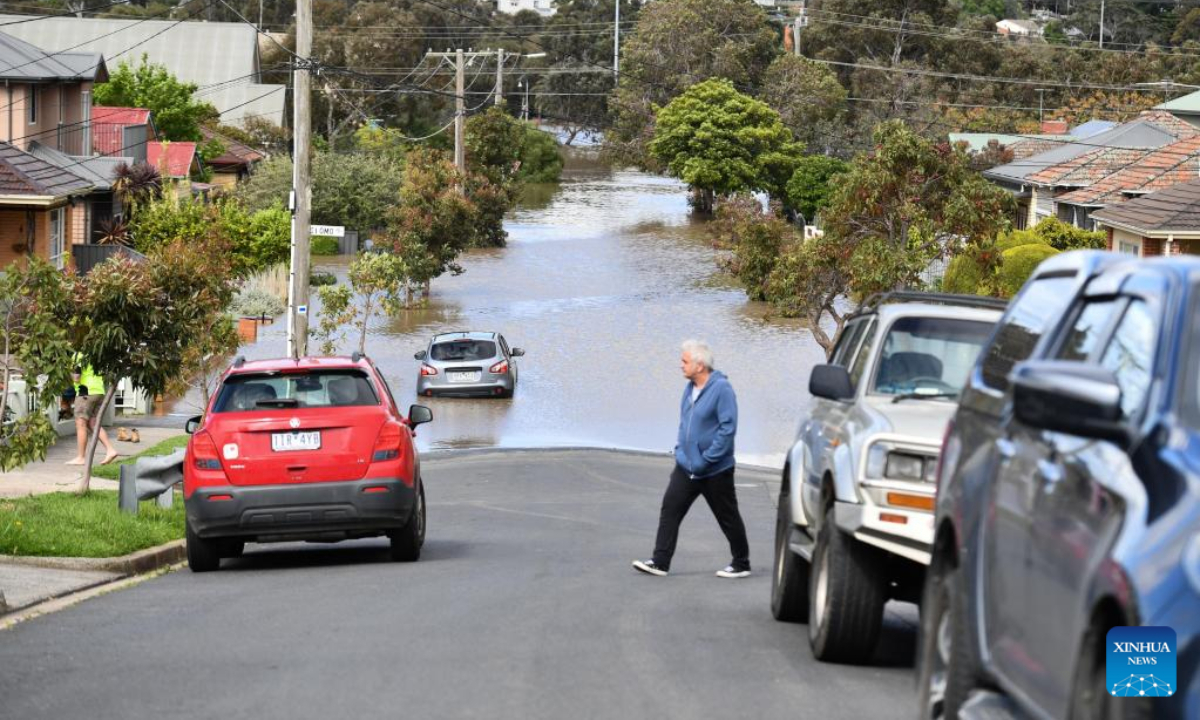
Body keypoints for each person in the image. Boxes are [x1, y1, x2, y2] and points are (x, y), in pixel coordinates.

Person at [633, 340, 751, 579]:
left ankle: (741, 563)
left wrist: (706, 459)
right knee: (670, 509)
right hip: (686, 467)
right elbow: (684, 425)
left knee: (727, 517)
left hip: (715, 470)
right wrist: (681, 452)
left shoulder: (722, 389)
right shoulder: (689, 389)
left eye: (685, 361)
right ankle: (660, 562)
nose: (681, 365)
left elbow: (728, 430)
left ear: (699, 365)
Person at [65, 367, 119, 466]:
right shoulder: (92, 354)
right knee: (93, 424)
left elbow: (76, 377)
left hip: (85, 392)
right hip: (98, 391)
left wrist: (69, 374)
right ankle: (110, 450)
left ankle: (81, 457)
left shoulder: (78, 355)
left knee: (80, 424)